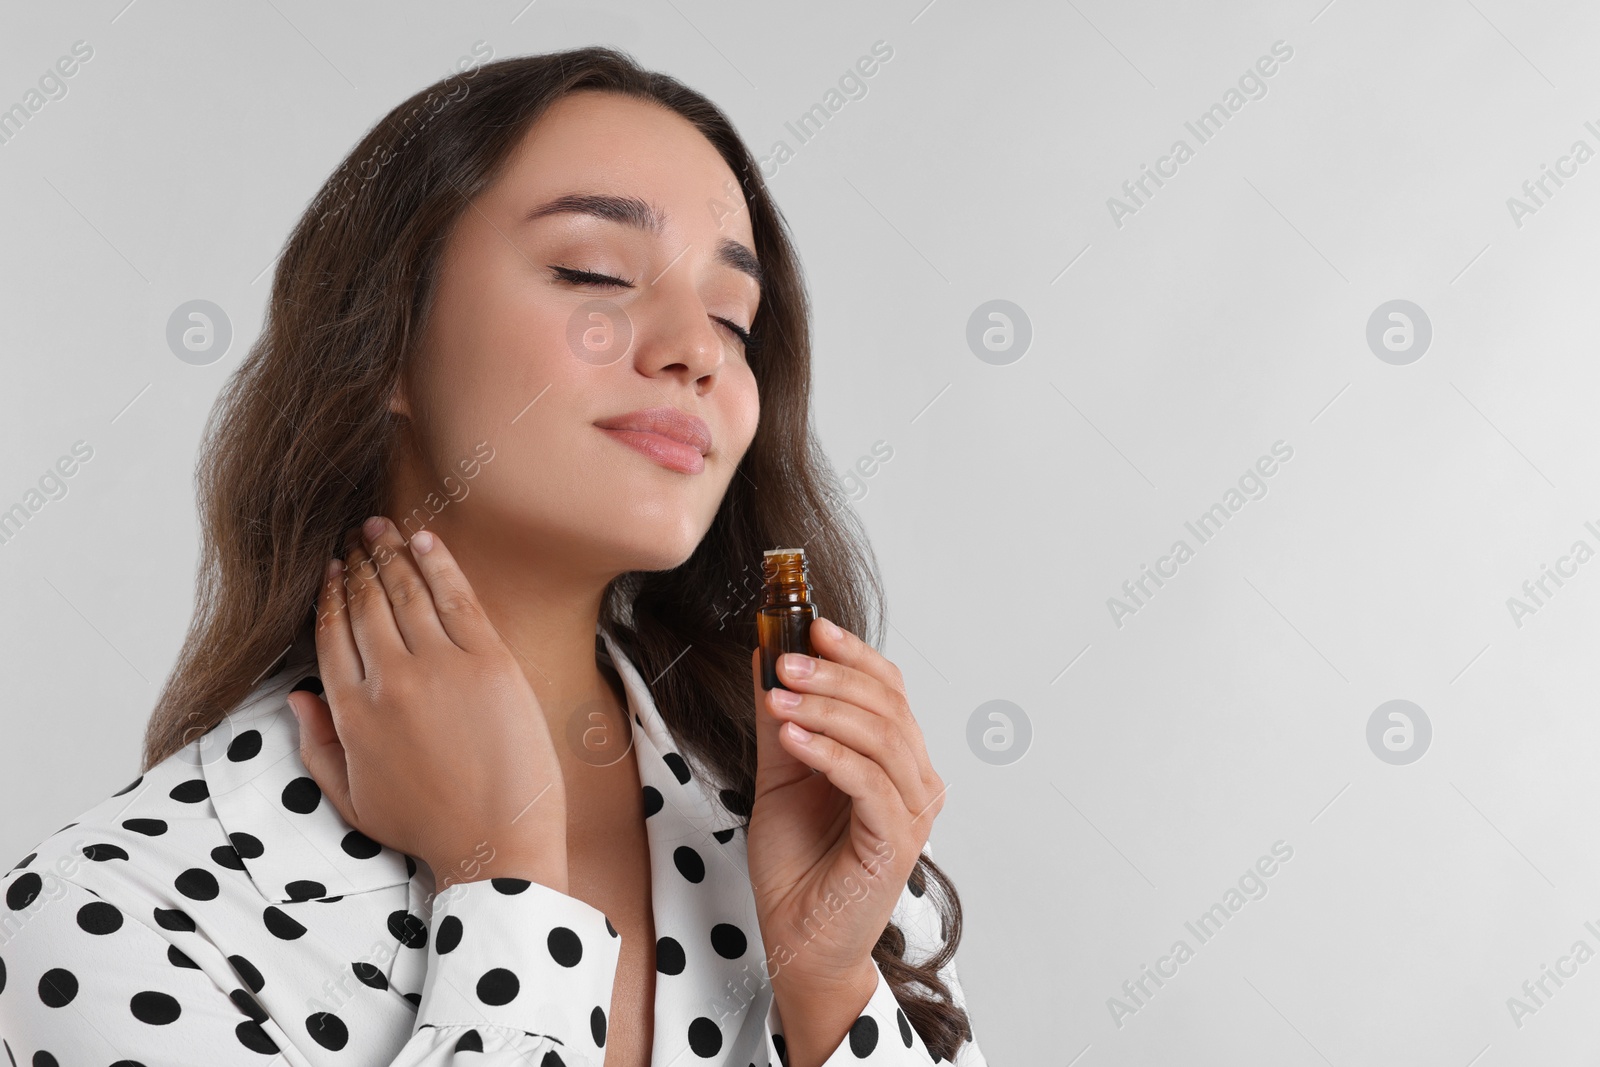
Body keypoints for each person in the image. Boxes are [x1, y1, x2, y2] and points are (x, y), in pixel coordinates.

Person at [0, 46, 986, 1067]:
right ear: (382, 339)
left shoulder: (815, 826)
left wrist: (826, 983)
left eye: (735, 320)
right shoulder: (119, 910)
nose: (697, 347)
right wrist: (506, 883)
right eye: (594, 273)